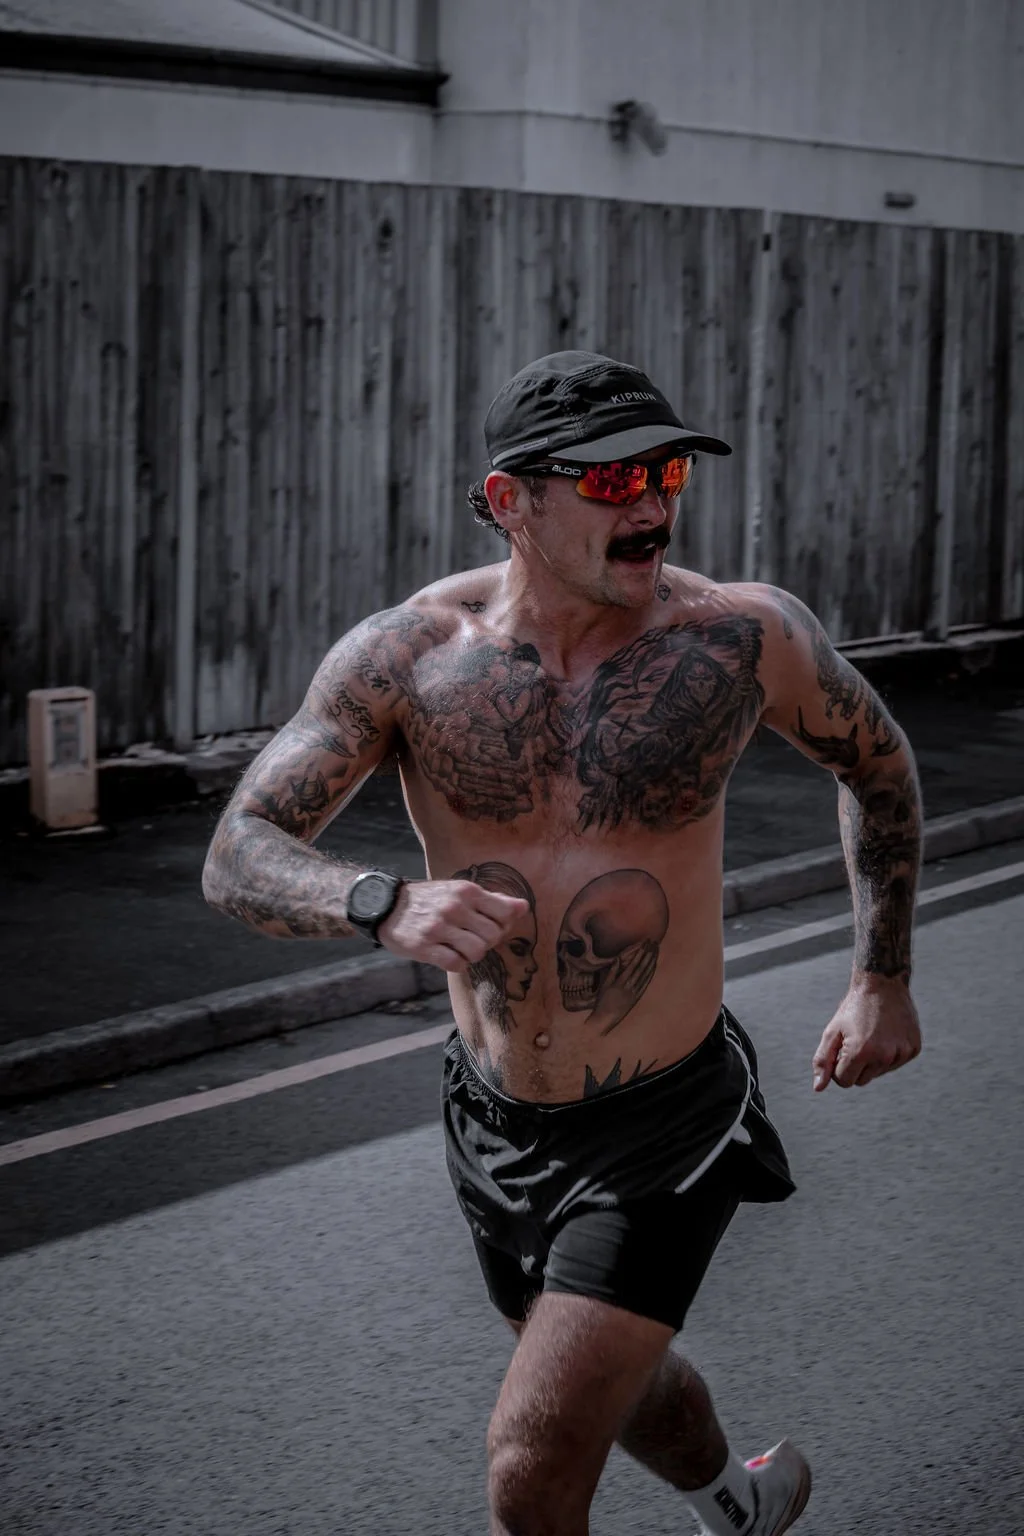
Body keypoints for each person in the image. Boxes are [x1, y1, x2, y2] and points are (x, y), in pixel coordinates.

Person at [203, 350, 923, 1536]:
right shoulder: (409, 657)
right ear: (509, 500)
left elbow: (879, 766)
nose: (650, 505)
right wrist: (378, 901)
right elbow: (241, 848)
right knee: (620, 1382)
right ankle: (734, 1502)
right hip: (492, 1118)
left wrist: (880, 976)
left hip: (669, 1120)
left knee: (531, 1465)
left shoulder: (741, 640)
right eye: (609, 482)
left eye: (666, 471)